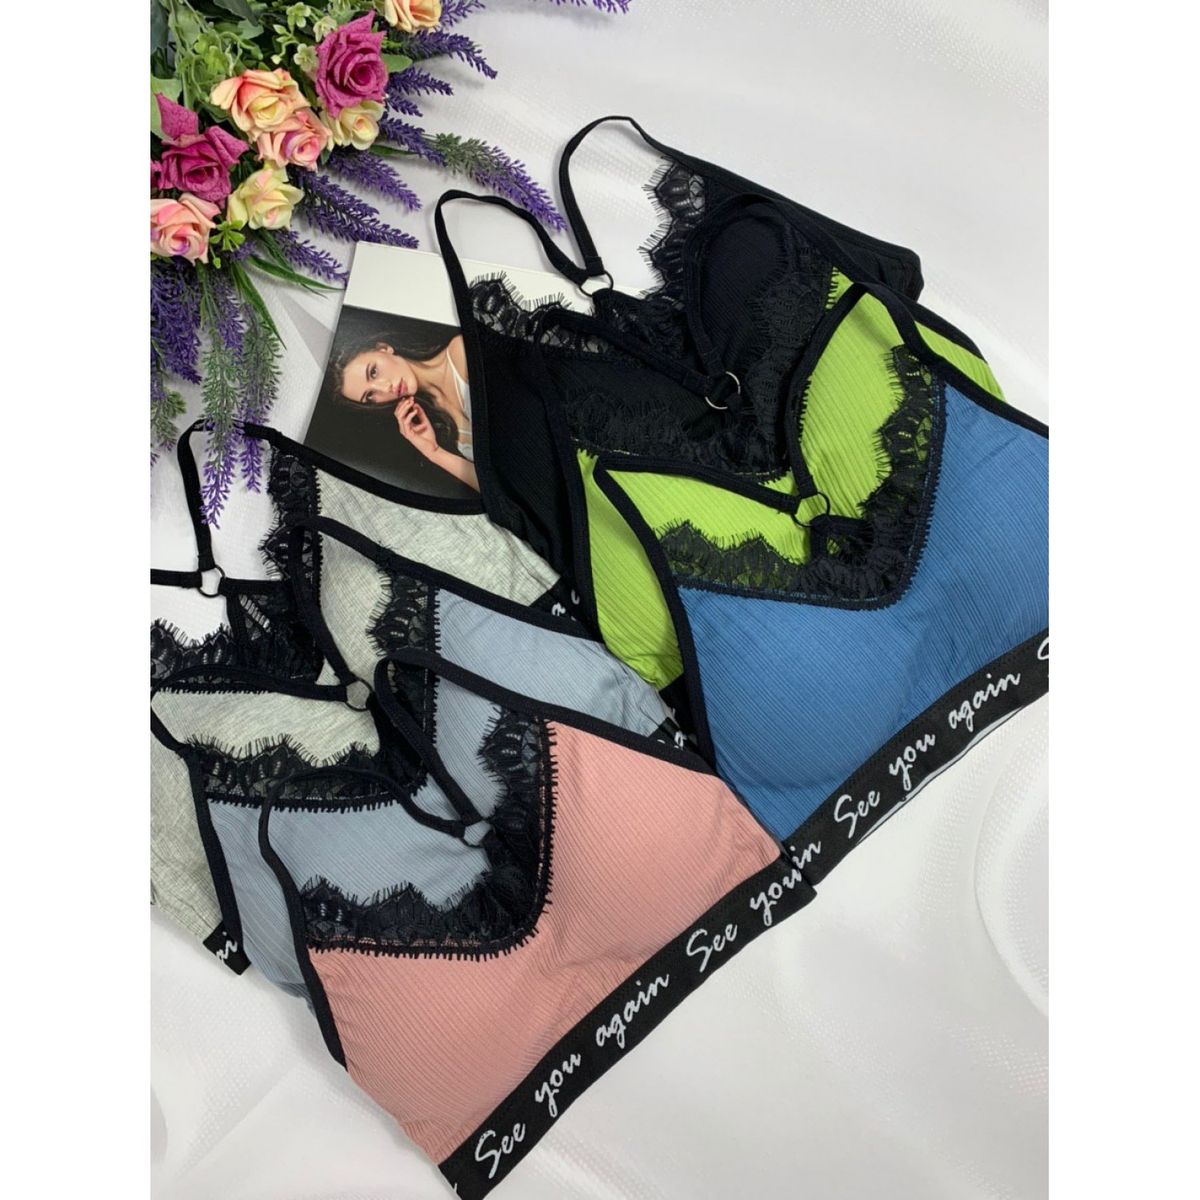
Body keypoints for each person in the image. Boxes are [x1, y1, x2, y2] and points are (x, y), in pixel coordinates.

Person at [325, 327, 477, 491]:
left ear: (384, 348)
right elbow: (491, 488)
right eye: (370, 396)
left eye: (373, 372)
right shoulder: (440, 425)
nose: (385, 388)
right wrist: (434, 452)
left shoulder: (461, 353)